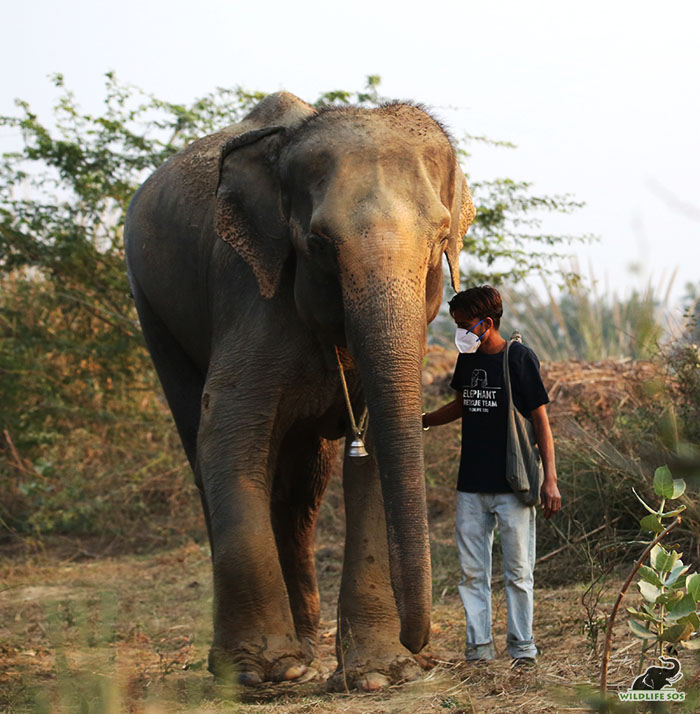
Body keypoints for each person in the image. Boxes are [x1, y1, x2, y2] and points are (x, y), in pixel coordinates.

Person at [422, 285, 561, 667]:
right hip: (471, 486)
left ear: (486, 323)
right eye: (457, 325)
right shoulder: (466, 358)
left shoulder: (519, 358)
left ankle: (523, 650)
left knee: (517, 573)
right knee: (471, 575)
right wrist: (422, 422)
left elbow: (541, 421)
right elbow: (461, 405)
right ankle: (479, 652)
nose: (460, 332)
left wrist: (550, 479)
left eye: (465, 325)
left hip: (513, 486)